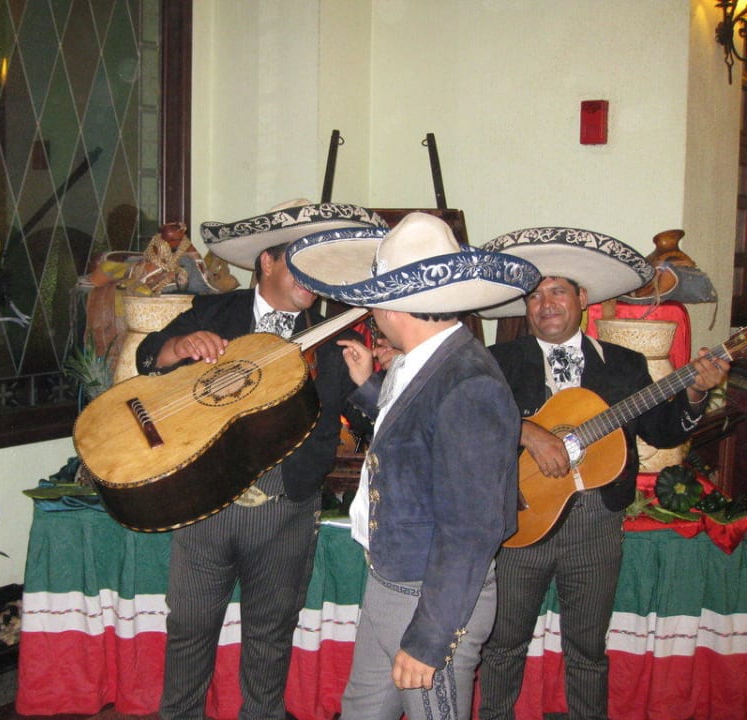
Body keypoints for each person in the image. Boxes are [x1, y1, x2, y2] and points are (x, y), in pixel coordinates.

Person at [285, 211, 542, 720]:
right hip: (391, 583)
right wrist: (370, 387)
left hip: (433, 601)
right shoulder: (419, 362)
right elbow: (421, 437)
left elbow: (472, 528)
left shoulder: (470, 382)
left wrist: (429, 638)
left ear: (390, 303)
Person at [136, 201, 388, 720]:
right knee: (189, 629)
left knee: (272, 633)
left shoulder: (338, 335)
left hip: (285, 501)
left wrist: (371, 386)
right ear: (267, 263)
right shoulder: (215, 311)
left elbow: (368, 425)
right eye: (300, 262)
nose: (311, 278)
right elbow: (148, 358)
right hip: (206, 499)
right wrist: (180, 346)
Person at [475, 227, 730, 720]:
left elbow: (661, 431)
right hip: (520, 519)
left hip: (596, 524)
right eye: (534, 295)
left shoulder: (625, 364)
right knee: (503, 644)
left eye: (557, 290)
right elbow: (467, 420)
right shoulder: (497, 361)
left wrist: (695, 392)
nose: (544, 303)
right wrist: (527, 431)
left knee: (588, 651)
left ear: (582, 298)